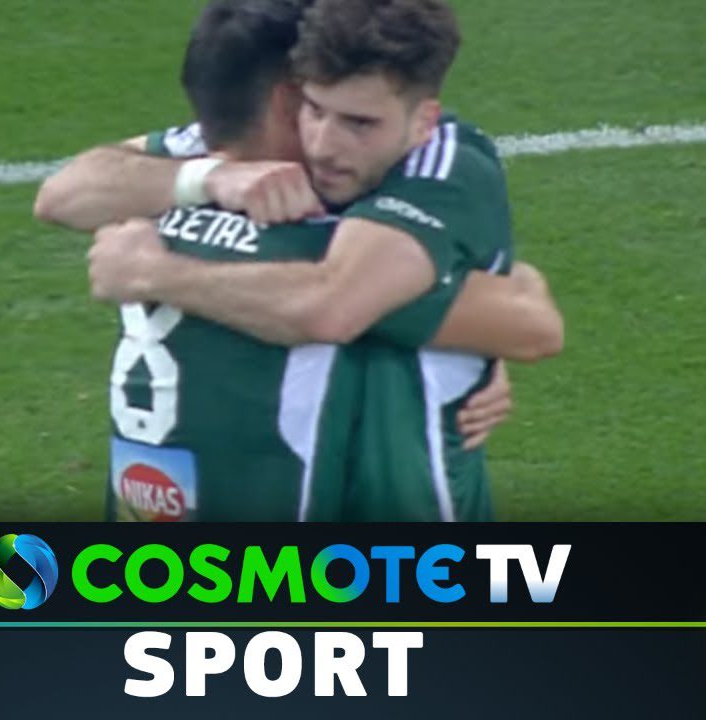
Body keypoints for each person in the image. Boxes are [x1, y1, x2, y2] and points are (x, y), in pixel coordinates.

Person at [40, 0, 563, 520]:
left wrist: (153, 270)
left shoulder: (166, 206)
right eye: (315, 110)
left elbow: (338, 304)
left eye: (359, 122)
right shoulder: (299, 220)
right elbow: (526, 319)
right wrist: (212, 178)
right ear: (290, 99)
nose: (325, 144)